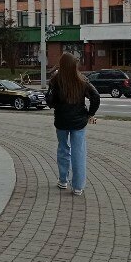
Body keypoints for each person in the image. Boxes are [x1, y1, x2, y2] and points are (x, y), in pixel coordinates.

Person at [45, 52, 100, 196]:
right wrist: (90, 114)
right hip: (79, 122)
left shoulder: (55, 80)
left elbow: (49, 102)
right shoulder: (82, 80)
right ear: (75, 65)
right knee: (79, 152)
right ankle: (78, 186)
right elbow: (95, 96)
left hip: (61, 121)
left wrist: (52, 90)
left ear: (61, 64)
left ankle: (63, 180)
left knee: (63, 149)